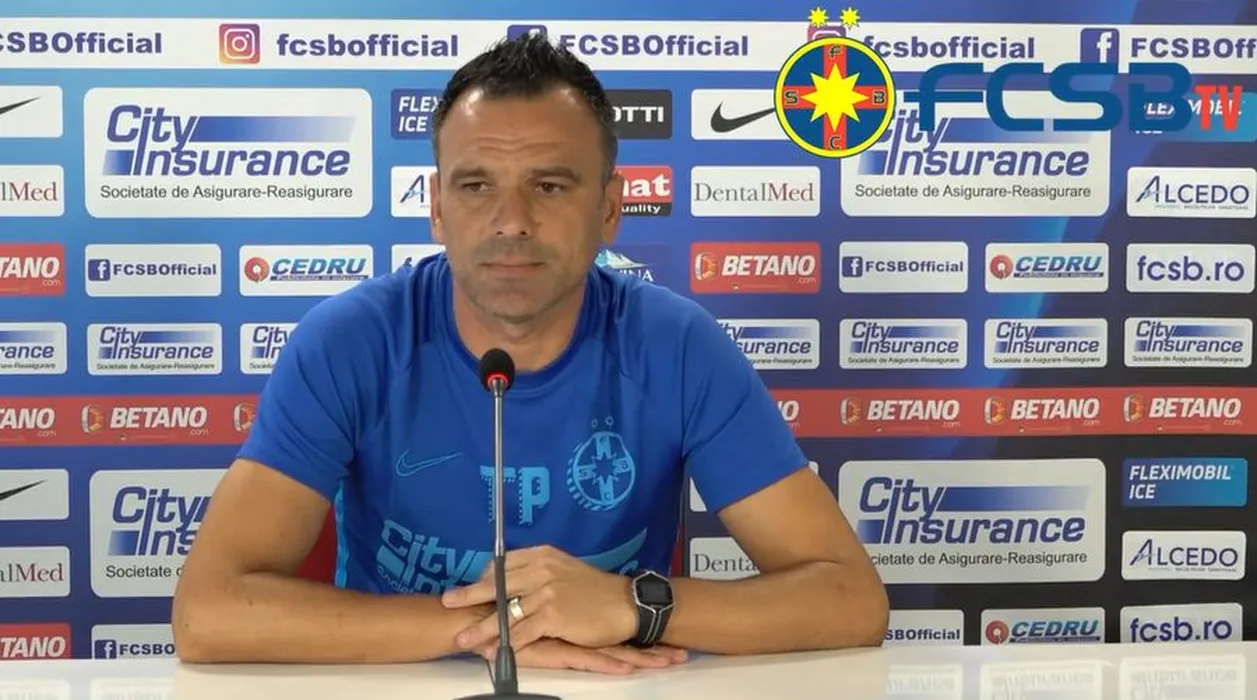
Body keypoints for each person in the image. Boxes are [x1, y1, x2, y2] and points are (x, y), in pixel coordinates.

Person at [171, 33, 888, 673]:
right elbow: (208, 614)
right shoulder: (351, 341)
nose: (511, 221)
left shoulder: (676, 346)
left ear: (609, 208)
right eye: (476, 185)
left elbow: (850, 600)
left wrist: (630, 606)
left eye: (548, 185)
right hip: (395, 681)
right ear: (438, 207)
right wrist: (503, 627)